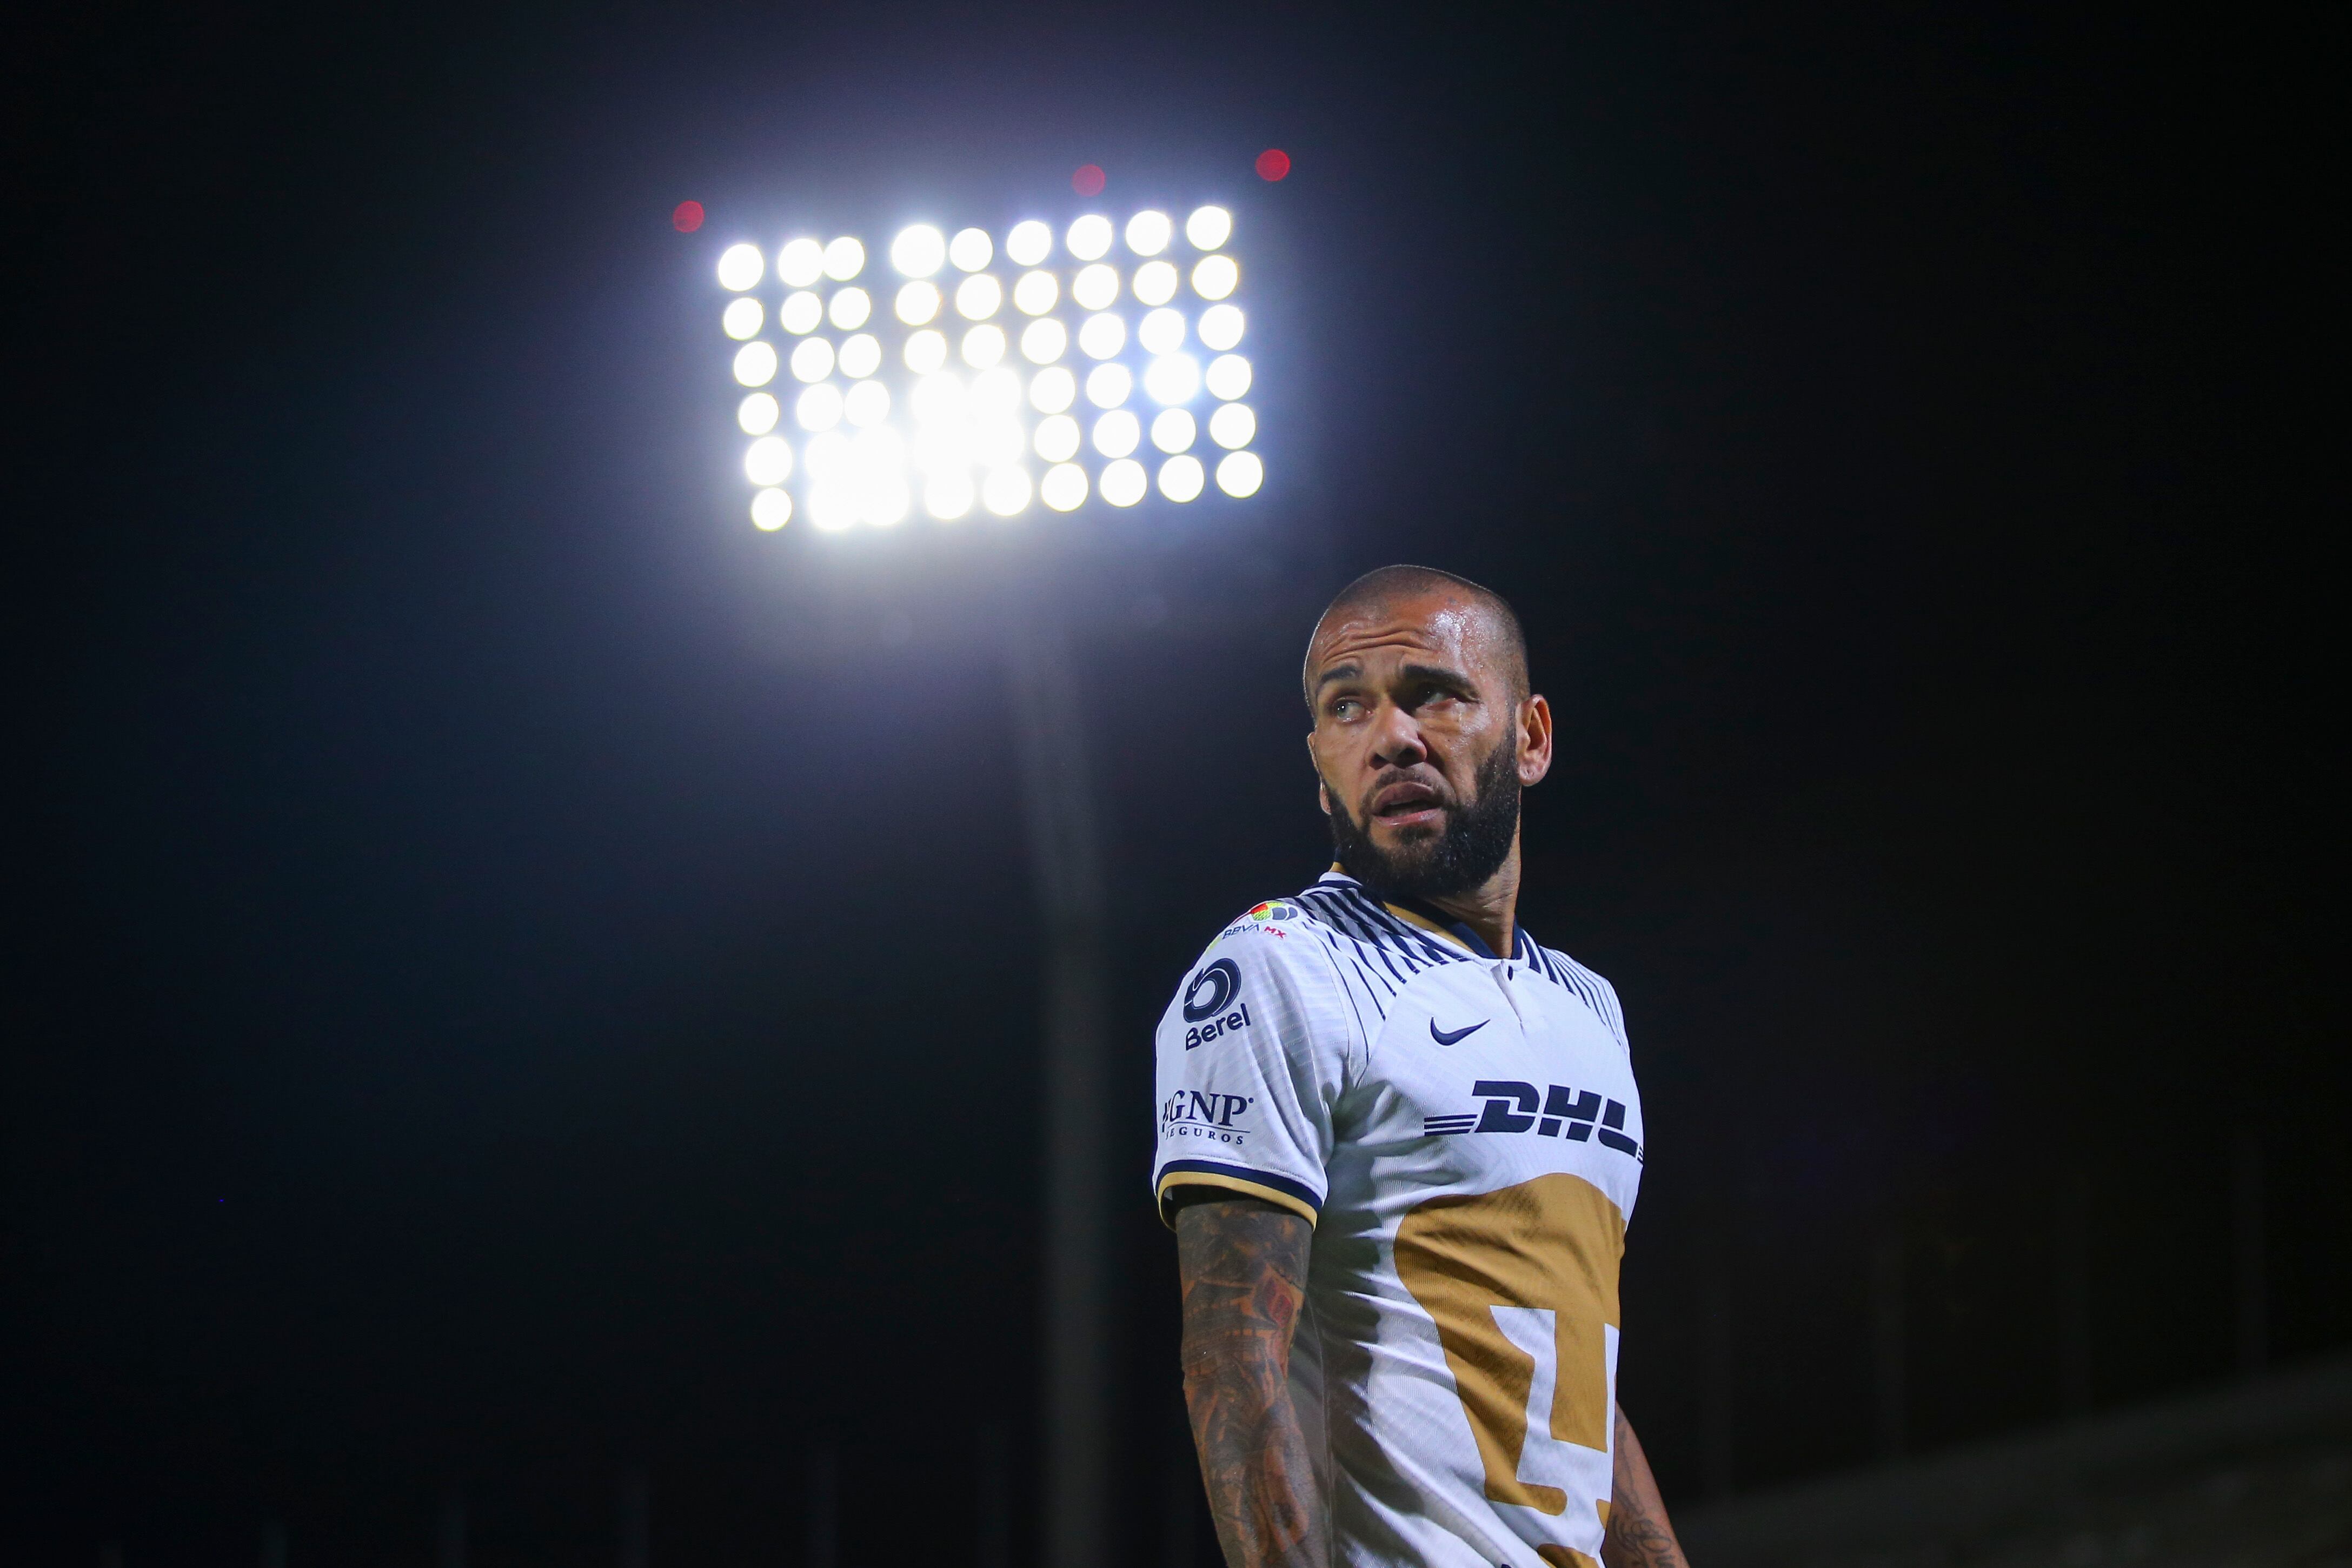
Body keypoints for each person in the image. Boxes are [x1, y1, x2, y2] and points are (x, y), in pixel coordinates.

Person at [1152, 566, 1688, 1568]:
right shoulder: (1282, 965)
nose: (1390, 737)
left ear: (1530, 737)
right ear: (1320, 766)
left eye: (1433, 694)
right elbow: (1233, 1352)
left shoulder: (1590, 1008)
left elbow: (1574, 1368)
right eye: (1346, 707)